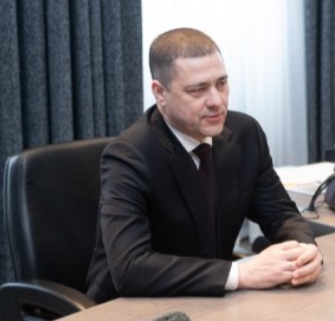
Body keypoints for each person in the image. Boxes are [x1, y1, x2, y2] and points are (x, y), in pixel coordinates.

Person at [87, 27, 322, 302]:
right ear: (160, 93)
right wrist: (239, 273)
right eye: (198, 90)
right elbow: (131, 268)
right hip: (130, 310)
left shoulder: (245, 133)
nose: (217, 101)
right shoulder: (129, 156)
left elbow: (281, 215)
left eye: (221, 84)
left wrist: (304, 251)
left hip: (210, 301)